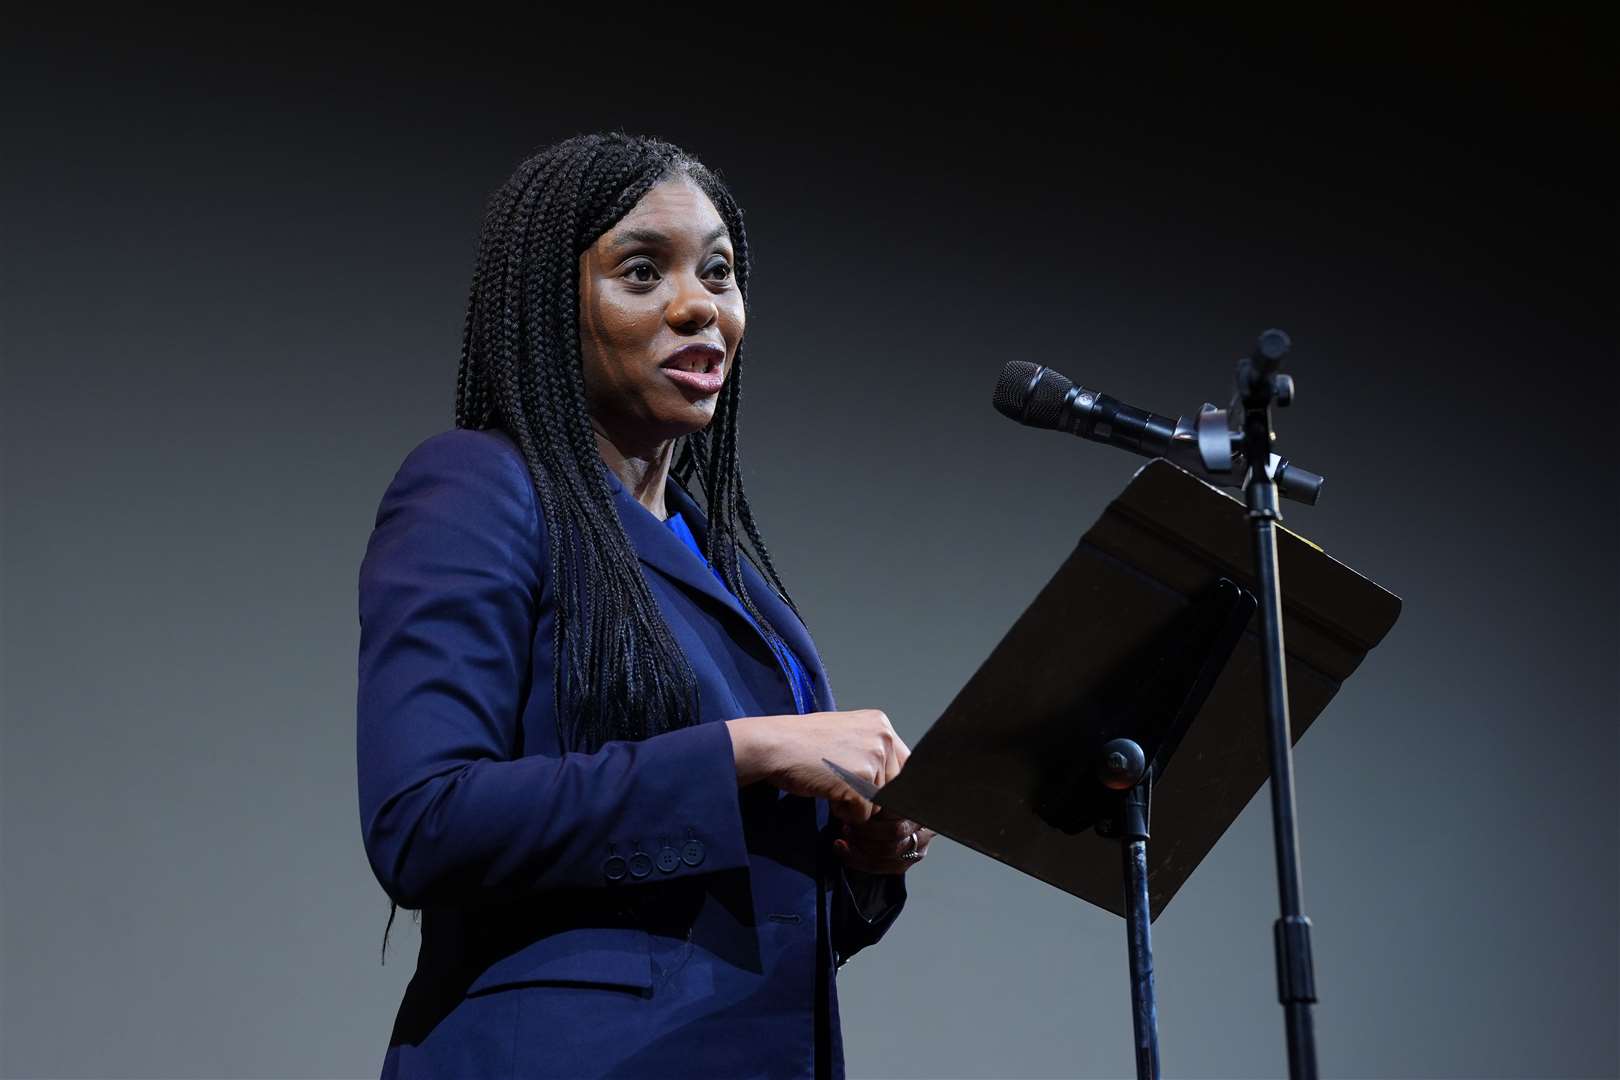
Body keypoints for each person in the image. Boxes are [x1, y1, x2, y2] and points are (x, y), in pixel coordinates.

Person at [356, 132, 934, 1080]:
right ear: (551, 310)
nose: (698, 305)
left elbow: (733, 915)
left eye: (718, 272)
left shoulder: (719, 556)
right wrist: (747, 752)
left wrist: (867, 861)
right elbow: (422, 823)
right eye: (641, 272)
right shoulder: (477, 487)